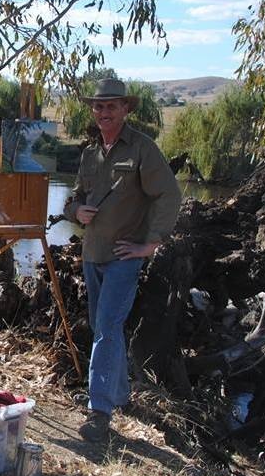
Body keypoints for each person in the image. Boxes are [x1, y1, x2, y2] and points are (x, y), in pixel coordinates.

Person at [63, 78, 182, 442]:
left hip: (123, 258)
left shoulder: (143, 150)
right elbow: (75, 196)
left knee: (107, 330)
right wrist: (74, 210)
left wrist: (151, 244)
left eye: (111, 106)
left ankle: (99, 413)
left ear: (126, 109)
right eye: (99, 107)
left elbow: (170, 195)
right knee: (105, 329)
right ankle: (120, 396)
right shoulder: (90, 153)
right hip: (92, 254)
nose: (104, 112)